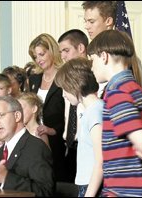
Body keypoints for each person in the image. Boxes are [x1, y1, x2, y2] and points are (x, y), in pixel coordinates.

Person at [87, 29, 142, 197]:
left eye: (92, 60)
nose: (91, 67)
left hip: (123, 191)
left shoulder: (117, 93)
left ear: (104, 56)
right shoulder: (137, 91)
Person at [55, 58, 103, 197]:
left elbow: (100, 159)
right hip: (87, 184)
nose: (63, 94)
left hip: (93, 186)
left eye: (65, 89)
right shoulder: (90, 111)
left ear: (75, 84)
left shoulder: (95, 111)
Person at [82, 1, 142, 95]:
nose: (86, 26)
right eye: (85, 21)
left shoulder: (122, 56)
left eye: (91, 21)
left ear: (108, 21)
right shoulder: (93, 56)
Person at [28, 33, 66, 183]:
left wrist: (53, 130)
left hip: (58, 141)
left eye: (41, 54)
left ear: (52, 50)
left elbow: (70, 113)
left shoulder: (64, 76)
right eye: (35, 57)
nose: (39, 60)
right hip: (34, 139)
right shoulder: (33, 78)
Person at [58, 29, 89, 183]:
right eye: (61, 51)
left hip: (88, 146)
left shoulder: (94, 74)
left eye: (66, 50)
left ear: (81, 48)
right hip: (68, 148)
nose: (62, 56)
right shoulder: (65, 76)